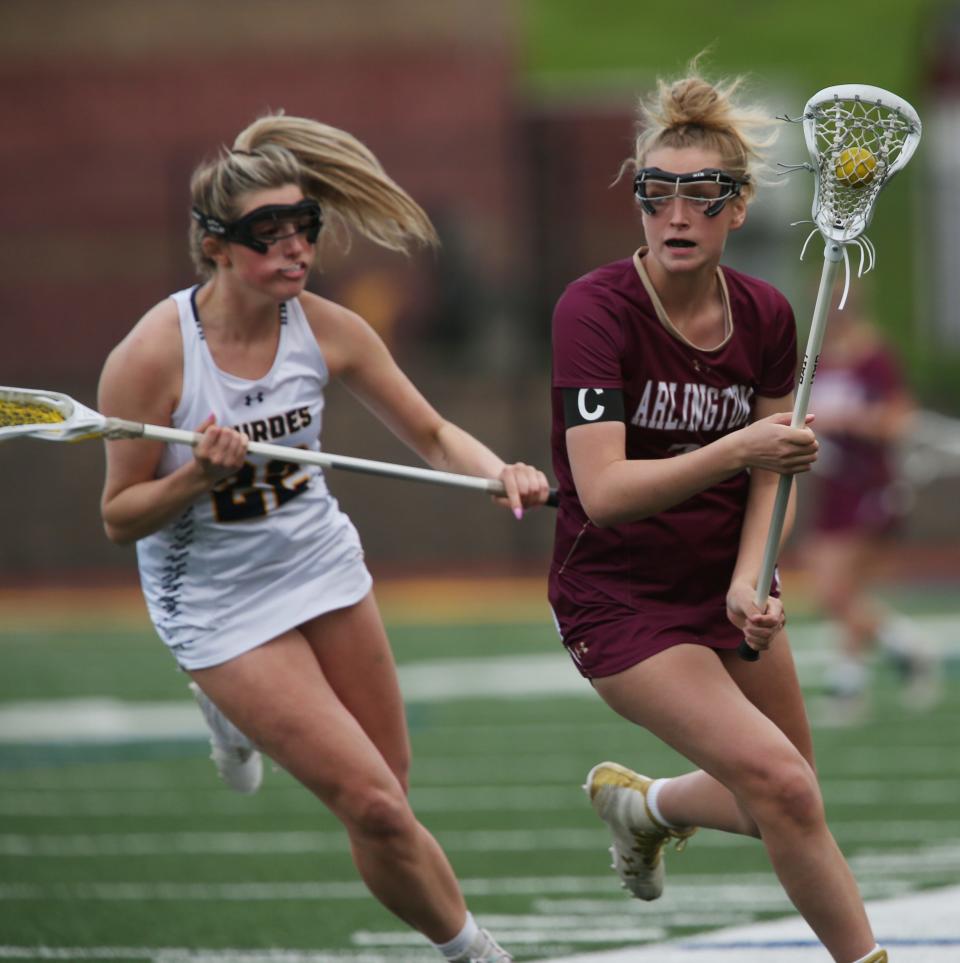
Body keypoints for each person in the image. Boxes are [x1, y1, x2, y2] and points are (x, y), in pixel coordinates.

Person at [97, 111, 551, 963]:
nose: (294, 249)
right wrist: (199, 475)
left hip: (322, 568)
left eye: (303, 226)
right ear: (215, 245)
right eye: (267, 234)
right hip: (218, 604)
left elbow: (435, 432)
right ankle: (477, 953)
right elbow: (120, 516)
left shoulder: (327, 328)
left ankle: (230, 716)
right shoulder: (154, 357)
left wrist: (500, 472)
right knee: (374, 804)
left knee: (392, 800)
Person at [547, 64, 887, 963]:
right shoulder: (596, 311)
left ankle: (646, 806)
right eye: (657, 193)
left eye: (702, 194)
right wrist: (741, 447)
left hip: (721, 585)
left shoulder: (770, 315)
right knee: (782, 783)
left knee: (785, 793)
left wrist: (749, 579)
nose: (676, 214)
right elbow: (606, 495)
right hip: (620, 600)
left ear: (738, 208)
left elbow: (774, 474)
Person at [805, 281, 940, 717]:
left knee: (836, 587)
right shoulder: (819, 359)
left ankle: (851, 686)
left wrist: (850, 419)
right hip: (832, 486)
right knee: (840, 590)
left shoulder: (874, 357)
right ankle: (898, 654)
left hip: (869, 485)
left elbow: (900, 420)